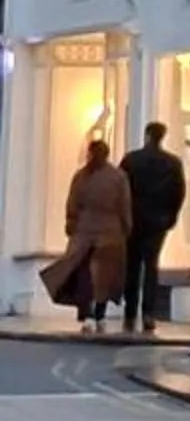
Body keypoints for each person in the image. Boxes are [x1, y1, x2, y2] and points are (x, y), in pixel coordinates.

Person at [41, 140, 133, 334]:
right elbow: (124, 206)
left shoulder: (82, 176)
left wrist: (71, 223)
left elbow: (72, 203)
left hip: (84, 231)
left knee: (84, 275)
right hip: (110, 232)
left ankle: (87, 313)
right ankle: (99, 313)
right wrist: (127, 228)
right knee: (104, 277)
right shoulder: (118, 177)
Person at [121, 122, 188, 337]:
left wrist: (124, 216)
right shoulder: (172, 163)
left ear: (147, 135)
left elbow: (121, 189)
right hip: (158, 221)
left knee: (132, 266)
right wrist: (171, 216)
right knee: (151, 266)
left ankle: (130, 311)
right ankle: (148, 313)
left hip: (134, 219)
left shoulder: (131, 160)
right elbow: (179, 192)